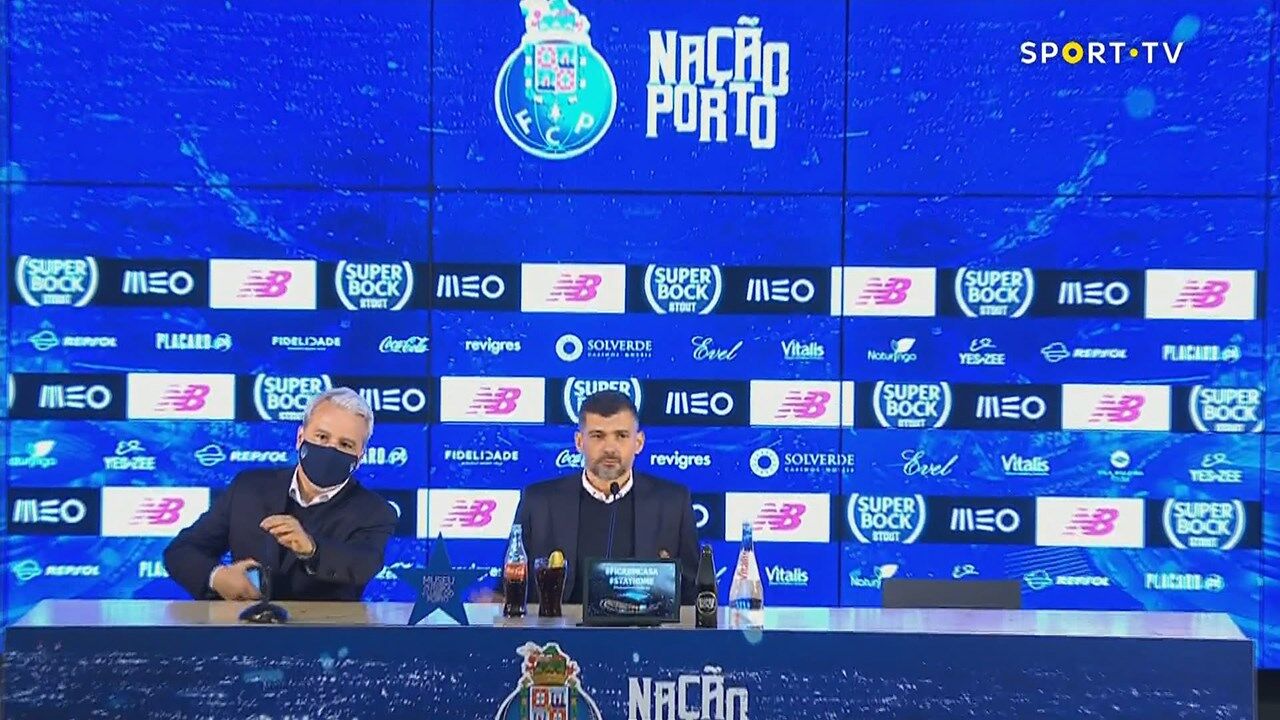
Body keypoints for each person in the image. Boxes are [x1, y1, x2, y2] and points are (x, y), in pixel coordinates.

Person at [164, 387, 397, 601]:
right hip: (246, 627)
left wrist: (312, 550)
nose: (330, 449)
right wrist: (217, 578)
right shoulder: (248, 488)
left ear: (360, 457)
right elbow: (181, 551)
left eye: (345, 444)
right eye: (322, 437)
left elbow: (363, 564)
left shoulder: (375, 511)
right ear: (300, 438)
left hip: (325, 632)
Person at [514, 390, 699, 605]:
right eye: (598, 436)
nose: (610, 448)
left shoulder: (673, 503)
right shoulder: (539, 502)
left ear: (638, 442)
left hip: (644, 626)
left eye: (621, 435)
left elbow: (693, 593)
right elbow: (511, 587)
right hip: (559, 626)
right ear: (579, 442)